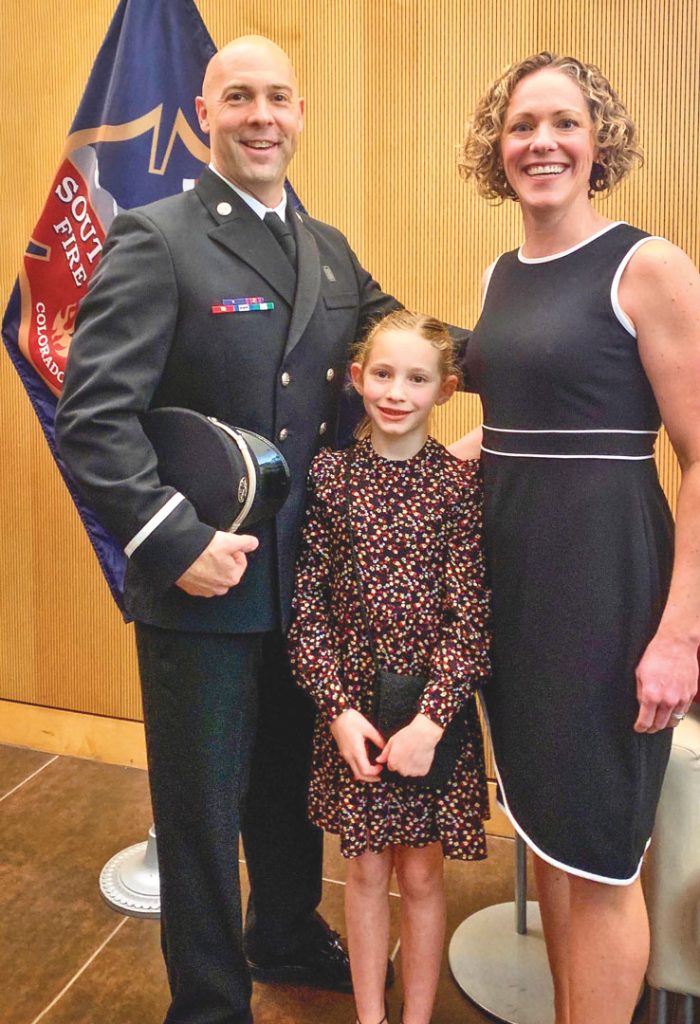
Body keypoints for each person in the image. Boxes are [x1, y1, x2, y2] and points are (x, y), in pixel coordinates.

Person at [55, 35, 407, 1024]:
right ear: (204, 112)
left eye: (279, 98)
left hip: (302, 589)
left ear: (300, 115)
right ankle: (208, 1002)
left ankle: (285, 932)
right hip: (203, 578)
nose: (262, 116)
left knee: (291, 792)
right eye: (240, 96)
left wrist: (540, 346)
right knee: (202, 813)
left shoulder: (326, 246)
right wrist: (172, 541)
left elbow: (407, 343)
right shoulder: (158, 236)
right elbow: (93, 416)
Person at [453, 51, 700, 1024]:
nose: (541, 141)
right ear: (497, 147)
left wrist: (679, 634)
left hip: (605, 596)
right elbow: (525, 419)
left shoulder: (649, 267)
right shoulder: (499, 272)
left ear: (597, 141)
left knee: (596, 858)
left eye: (563, 122)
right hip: (512, 596)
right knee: (545, 836)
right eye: (521, 126)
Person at [287, 309, 491, 1024]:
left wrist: (432, 723)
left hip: (428, 717)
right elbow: (306, 604)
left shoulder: (456, 486)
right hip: (355, 714)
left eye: (416, 378)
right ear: (356, 380)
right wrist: (338, 710)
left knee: (422, 872)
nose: (396, 391)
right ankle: (371, 1015)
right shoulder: (330, 477)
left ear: (445, 388)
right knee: (366, 869)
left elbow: (471, 619)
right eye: (382, 374)